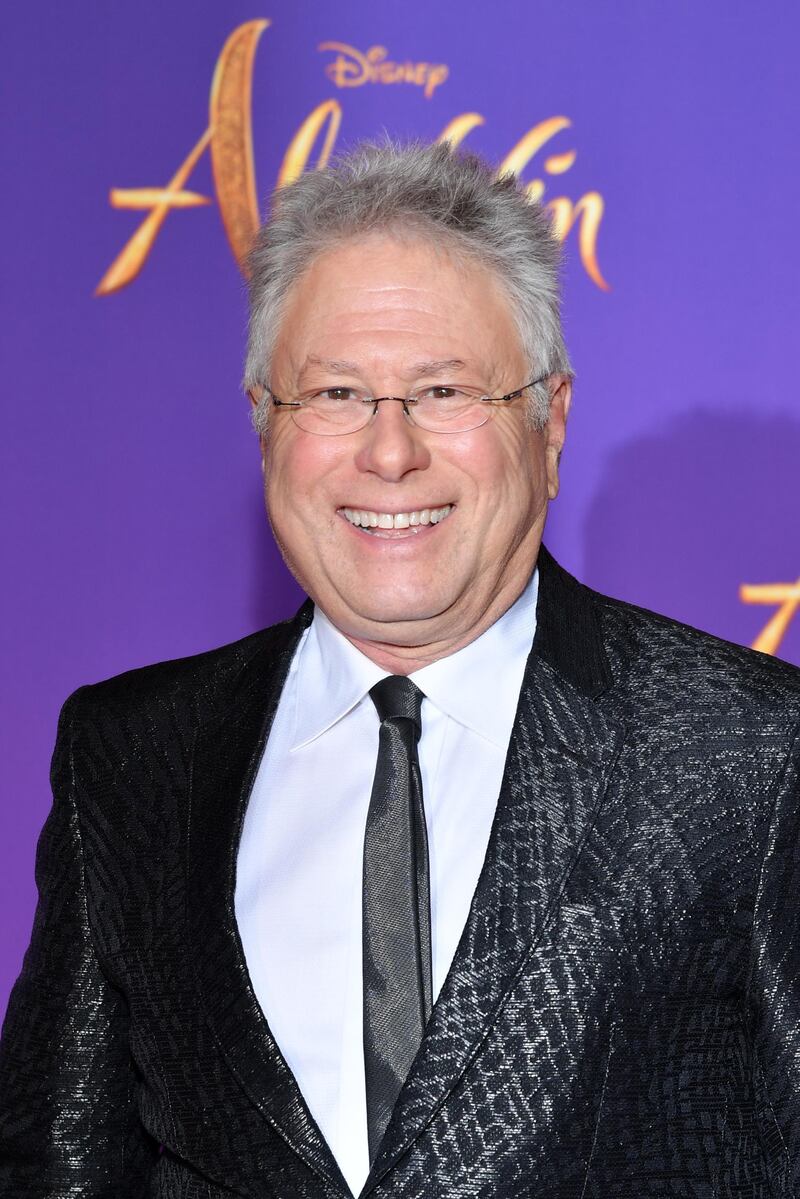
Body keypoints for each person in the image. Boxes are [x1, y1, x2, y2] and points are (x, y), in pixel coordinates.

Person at [1, 140, 798, 1199]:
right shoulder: (131, 752)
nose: (388, 452)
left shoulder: (748, 751)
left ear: (549, 422)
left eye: (442, 390)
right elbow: (57, 1166)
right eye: (334, 392)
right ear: (261, 424)